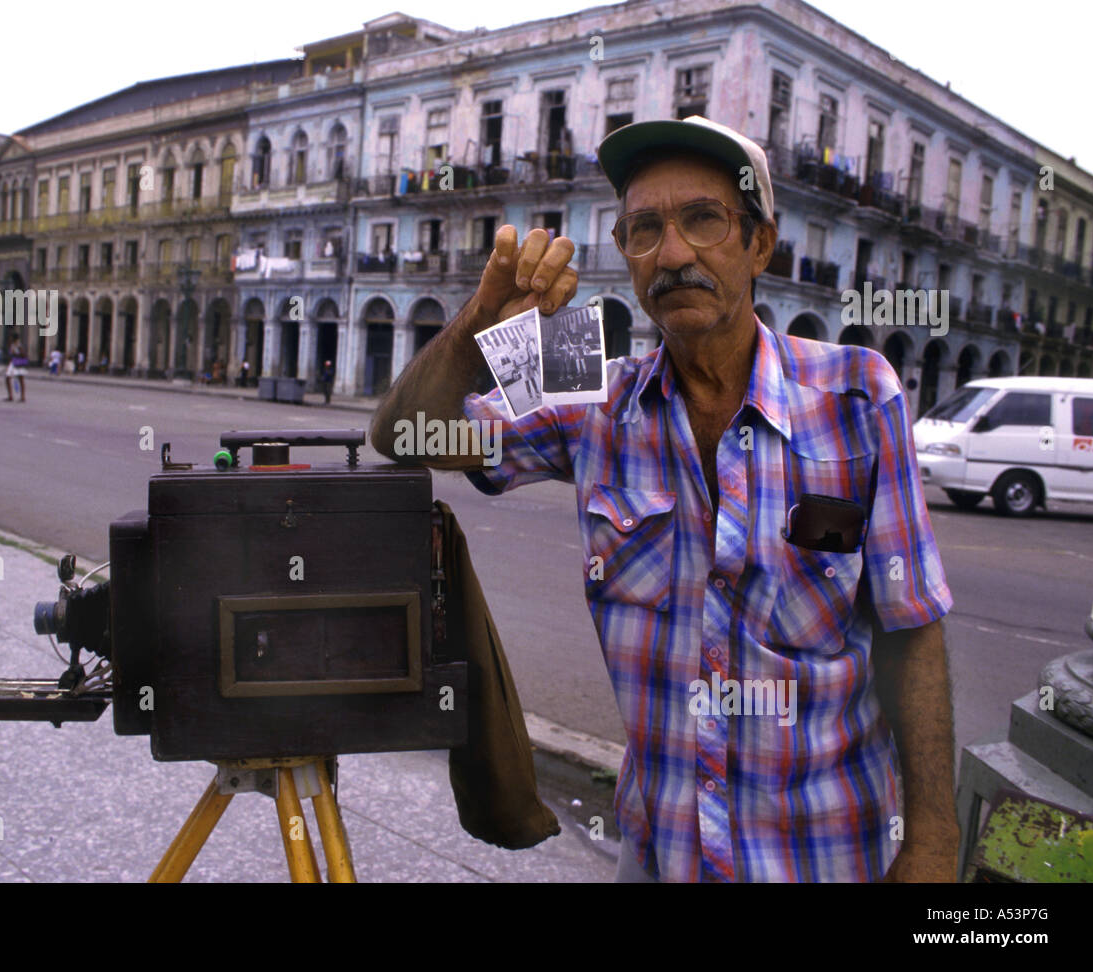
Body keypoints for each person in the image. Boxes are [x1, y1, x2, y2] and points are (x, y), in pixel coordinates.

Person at [371, 116, 957, 883]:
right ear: (625, 254)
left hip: (828, 852)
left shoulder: (855, 394)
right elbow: (406, 435)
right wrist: (479, 322)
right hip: (663, 855)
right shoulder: (593, 402)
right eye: (645, 229)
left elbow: (910, 629)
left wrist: (933, 844)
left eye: (704, 220)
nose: (673, 253)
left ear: (759, 244)